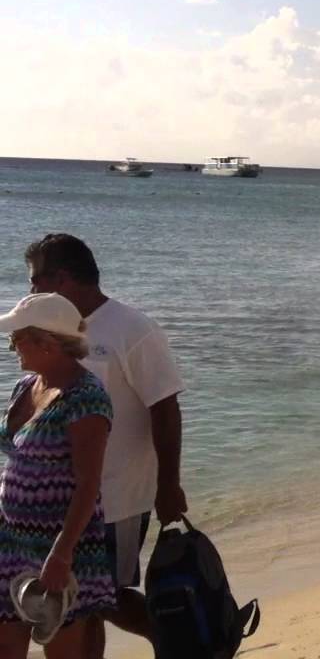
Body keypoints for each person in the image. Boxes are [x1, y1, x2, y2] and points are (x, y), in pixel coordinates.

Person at [24, 236, 187, 658]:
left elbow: (165, 409)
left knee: (102, 597)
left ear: (61, 279)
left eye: (34, 281)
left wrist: (168, 486)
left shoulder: (132, 329)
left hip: (117, 498)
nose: (29, 292)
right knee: (84, 601)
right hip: (66, 499)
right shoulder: (58, 330)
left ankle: (179, 640)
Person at [0, 293, 115, 658]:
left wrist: (61, 554)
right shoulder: (27, 387)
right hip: (11, 541)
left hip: (60, 546)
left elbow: (88, 483)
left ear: (47, 342)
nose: (11, 347)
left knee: (63, 651)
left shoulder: (86, 398)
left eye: (16, 339)